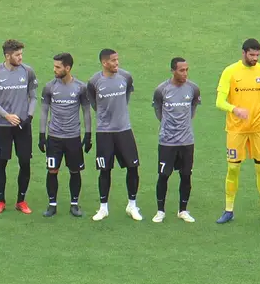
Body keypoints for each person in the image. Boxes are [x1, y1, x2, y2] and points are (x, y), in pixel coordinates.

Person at [215, 38, 260, 226]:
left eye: (258, 55)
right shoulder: (230, 72)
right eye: (252, 55)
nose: (255, 58)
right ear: (243, 53)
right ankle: (228, 210)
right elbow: (219, 102)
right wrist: (235, 109)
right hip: (236, 129)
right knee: (233, 168)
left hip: (259, 128)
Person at [87, 49, 141, 221]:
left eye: (117, 59)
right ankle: (103, 208)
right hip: (104, 132)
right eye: (113, 60)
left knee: (133, 167)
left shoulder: (126, 77)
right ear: (104, 63)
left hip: (124, 130)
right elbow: (94, 103)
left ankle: (132, 205)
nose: (117, 63)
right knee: (105, 170)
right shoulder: (94, 82)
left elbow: (127, 95)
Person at [0, 39, 38, 214]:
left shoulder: (28, 71)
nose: (20, 57)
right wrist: (7, 116)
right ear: (7, 56)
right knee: (1, 162)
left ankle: (21, 201)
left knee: (25, 162)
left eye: (21, 54)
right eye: (17, 55)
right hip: (2, 126)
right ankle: (1, 201)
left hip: (23, 125)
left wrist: (29, 116)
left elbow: (33, 96)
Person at [38, 52, 92, 217]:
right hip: (54, 138)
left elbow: (86, 111)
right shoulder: (49, 87)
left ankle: (74, 204)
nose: (54, 69)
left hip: (73, 138)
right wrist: (42, 135)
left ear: (67, 68)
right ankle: (52, 204)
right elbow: (44, 111)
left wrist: (88, 134)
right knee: (52, 171)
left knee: (75, 171)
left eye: (58, 67)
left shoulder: (81, 88)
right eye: (54, 66)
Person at [151, 57, 201, 223]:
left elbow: (193, 106)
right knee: (163, 175)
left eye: (186, 70)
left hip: (187, 141)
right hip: (167, 141)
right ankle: (160, 211)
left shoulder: (193, 88)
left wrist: (185, 123)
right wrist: (167, 124)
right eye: (181, 70)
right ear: (173, 71)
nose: (185, 73)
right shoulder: (161, 90)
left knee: (186, 175)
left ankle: (183, 210)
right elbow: (158, 110)